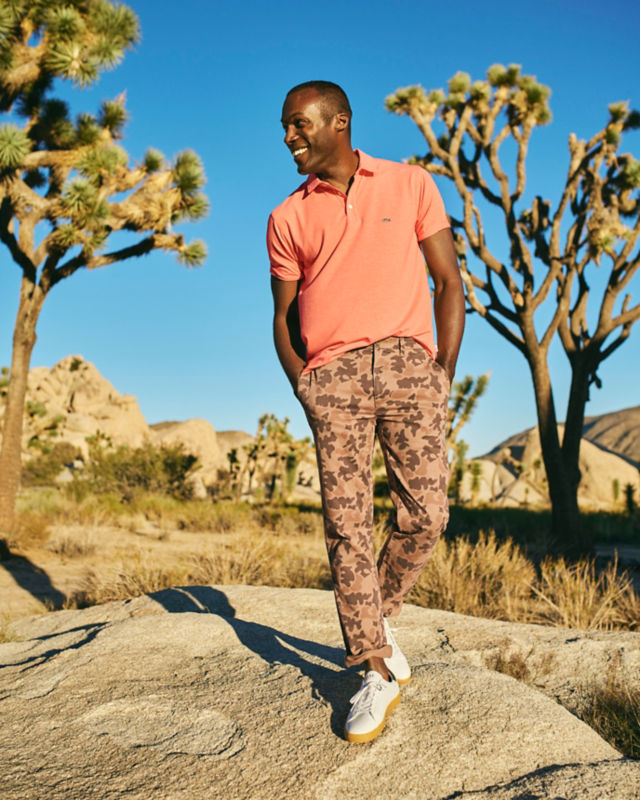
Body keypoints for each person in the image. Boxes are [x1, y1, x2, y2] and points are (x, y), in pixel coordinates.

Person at [267, 80, 464, 743]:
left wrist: (441, 373)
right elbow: (283, 317)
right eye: (285, 126)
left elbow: (448, 281)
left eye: (299, 124)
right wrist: (306, 384)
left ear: (340, 122)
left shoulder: (411, 184)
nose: (289, 137)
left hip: (410, 366)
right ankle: (373, 667)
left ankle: (376, 619)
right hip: (335, 377)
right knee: (347, 523)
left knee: (427, 514)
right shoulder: (287, 217)